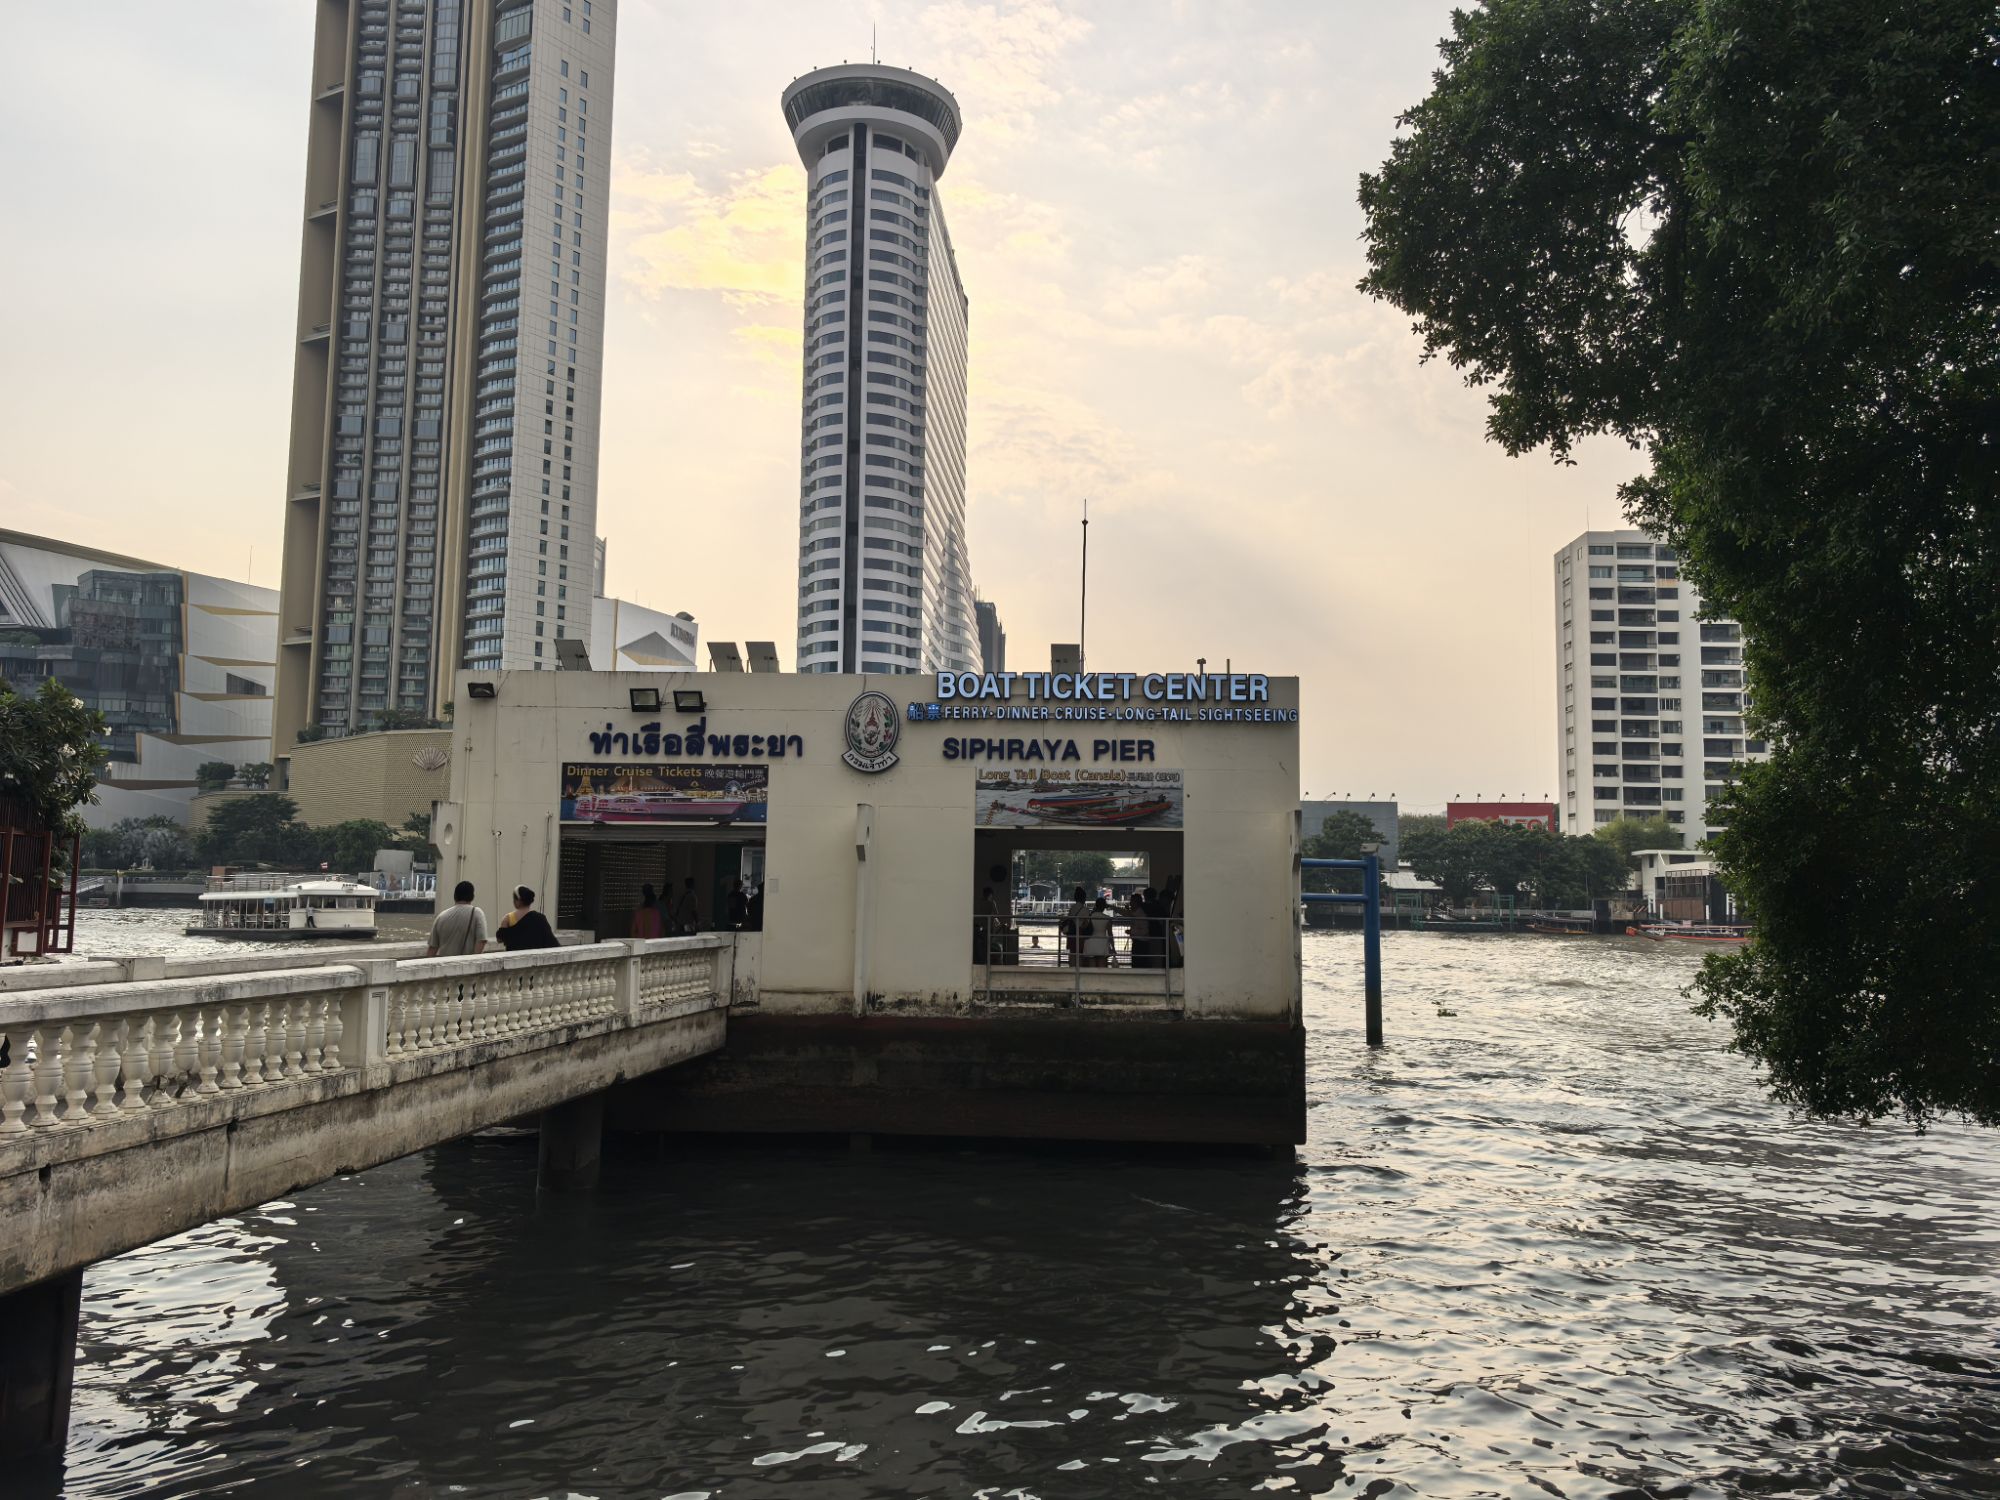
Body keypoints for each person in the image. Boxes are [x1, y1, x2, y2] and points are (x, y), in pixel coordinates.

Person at [427, 880, 489, 956]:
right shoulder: (477, 913)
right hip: (466, 965)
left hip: (445, 965)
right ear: (472, 897)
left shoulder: (441, 916)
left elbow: (432, 948)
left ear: (455, 896)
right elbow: (482, 941)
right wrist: (473, 961)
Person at [495, 885, 560, 951]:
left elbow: (499, 939)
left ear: (518, 900)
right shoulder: (540, 918)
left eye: (514, 898)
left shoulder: (508, 918)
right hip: (536, 958)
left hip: (515, 959)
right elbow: (551, 941)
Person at [1061, 886, 1089, 968]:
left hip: (1071, 934)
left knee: (1072, 953)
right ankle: (1078, 971)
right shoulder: (1085, 910)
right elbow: (1086, 924)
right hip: (1080, 935)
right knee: (1080, 954)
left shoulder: (1072, 908)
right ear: (1084, 898)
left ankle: (1071, 969)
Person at [1082, 897, 1114, 967]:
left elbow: (1083, 928)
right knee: (1102, 968)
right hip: (1102, 943)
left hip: (1090, 942)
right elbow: (1110, 934)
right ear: (1104, 907)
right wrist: (1113, 948)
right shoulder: (1108, 918)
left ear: (1096, 905)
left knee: (1091, 968)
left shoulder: (1089, 917)